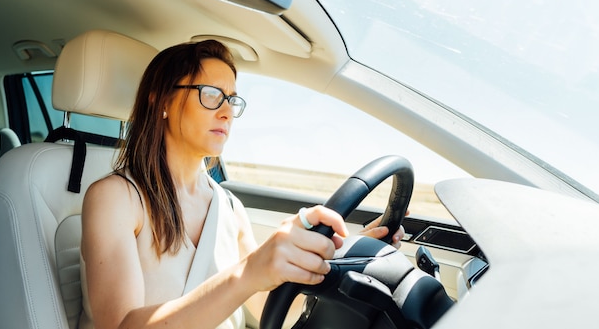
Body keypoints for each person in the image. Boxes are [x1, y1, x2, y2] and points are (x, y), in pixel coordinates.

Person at [79, 40, 405, 329]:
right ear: (160, 100)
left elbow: (274, 313)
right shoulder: (115, 198)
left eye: (232, 100)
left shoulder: (230, 208)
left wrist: (338, 260)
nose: (226, 113)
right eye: (211, 95)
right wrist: (247, 272)